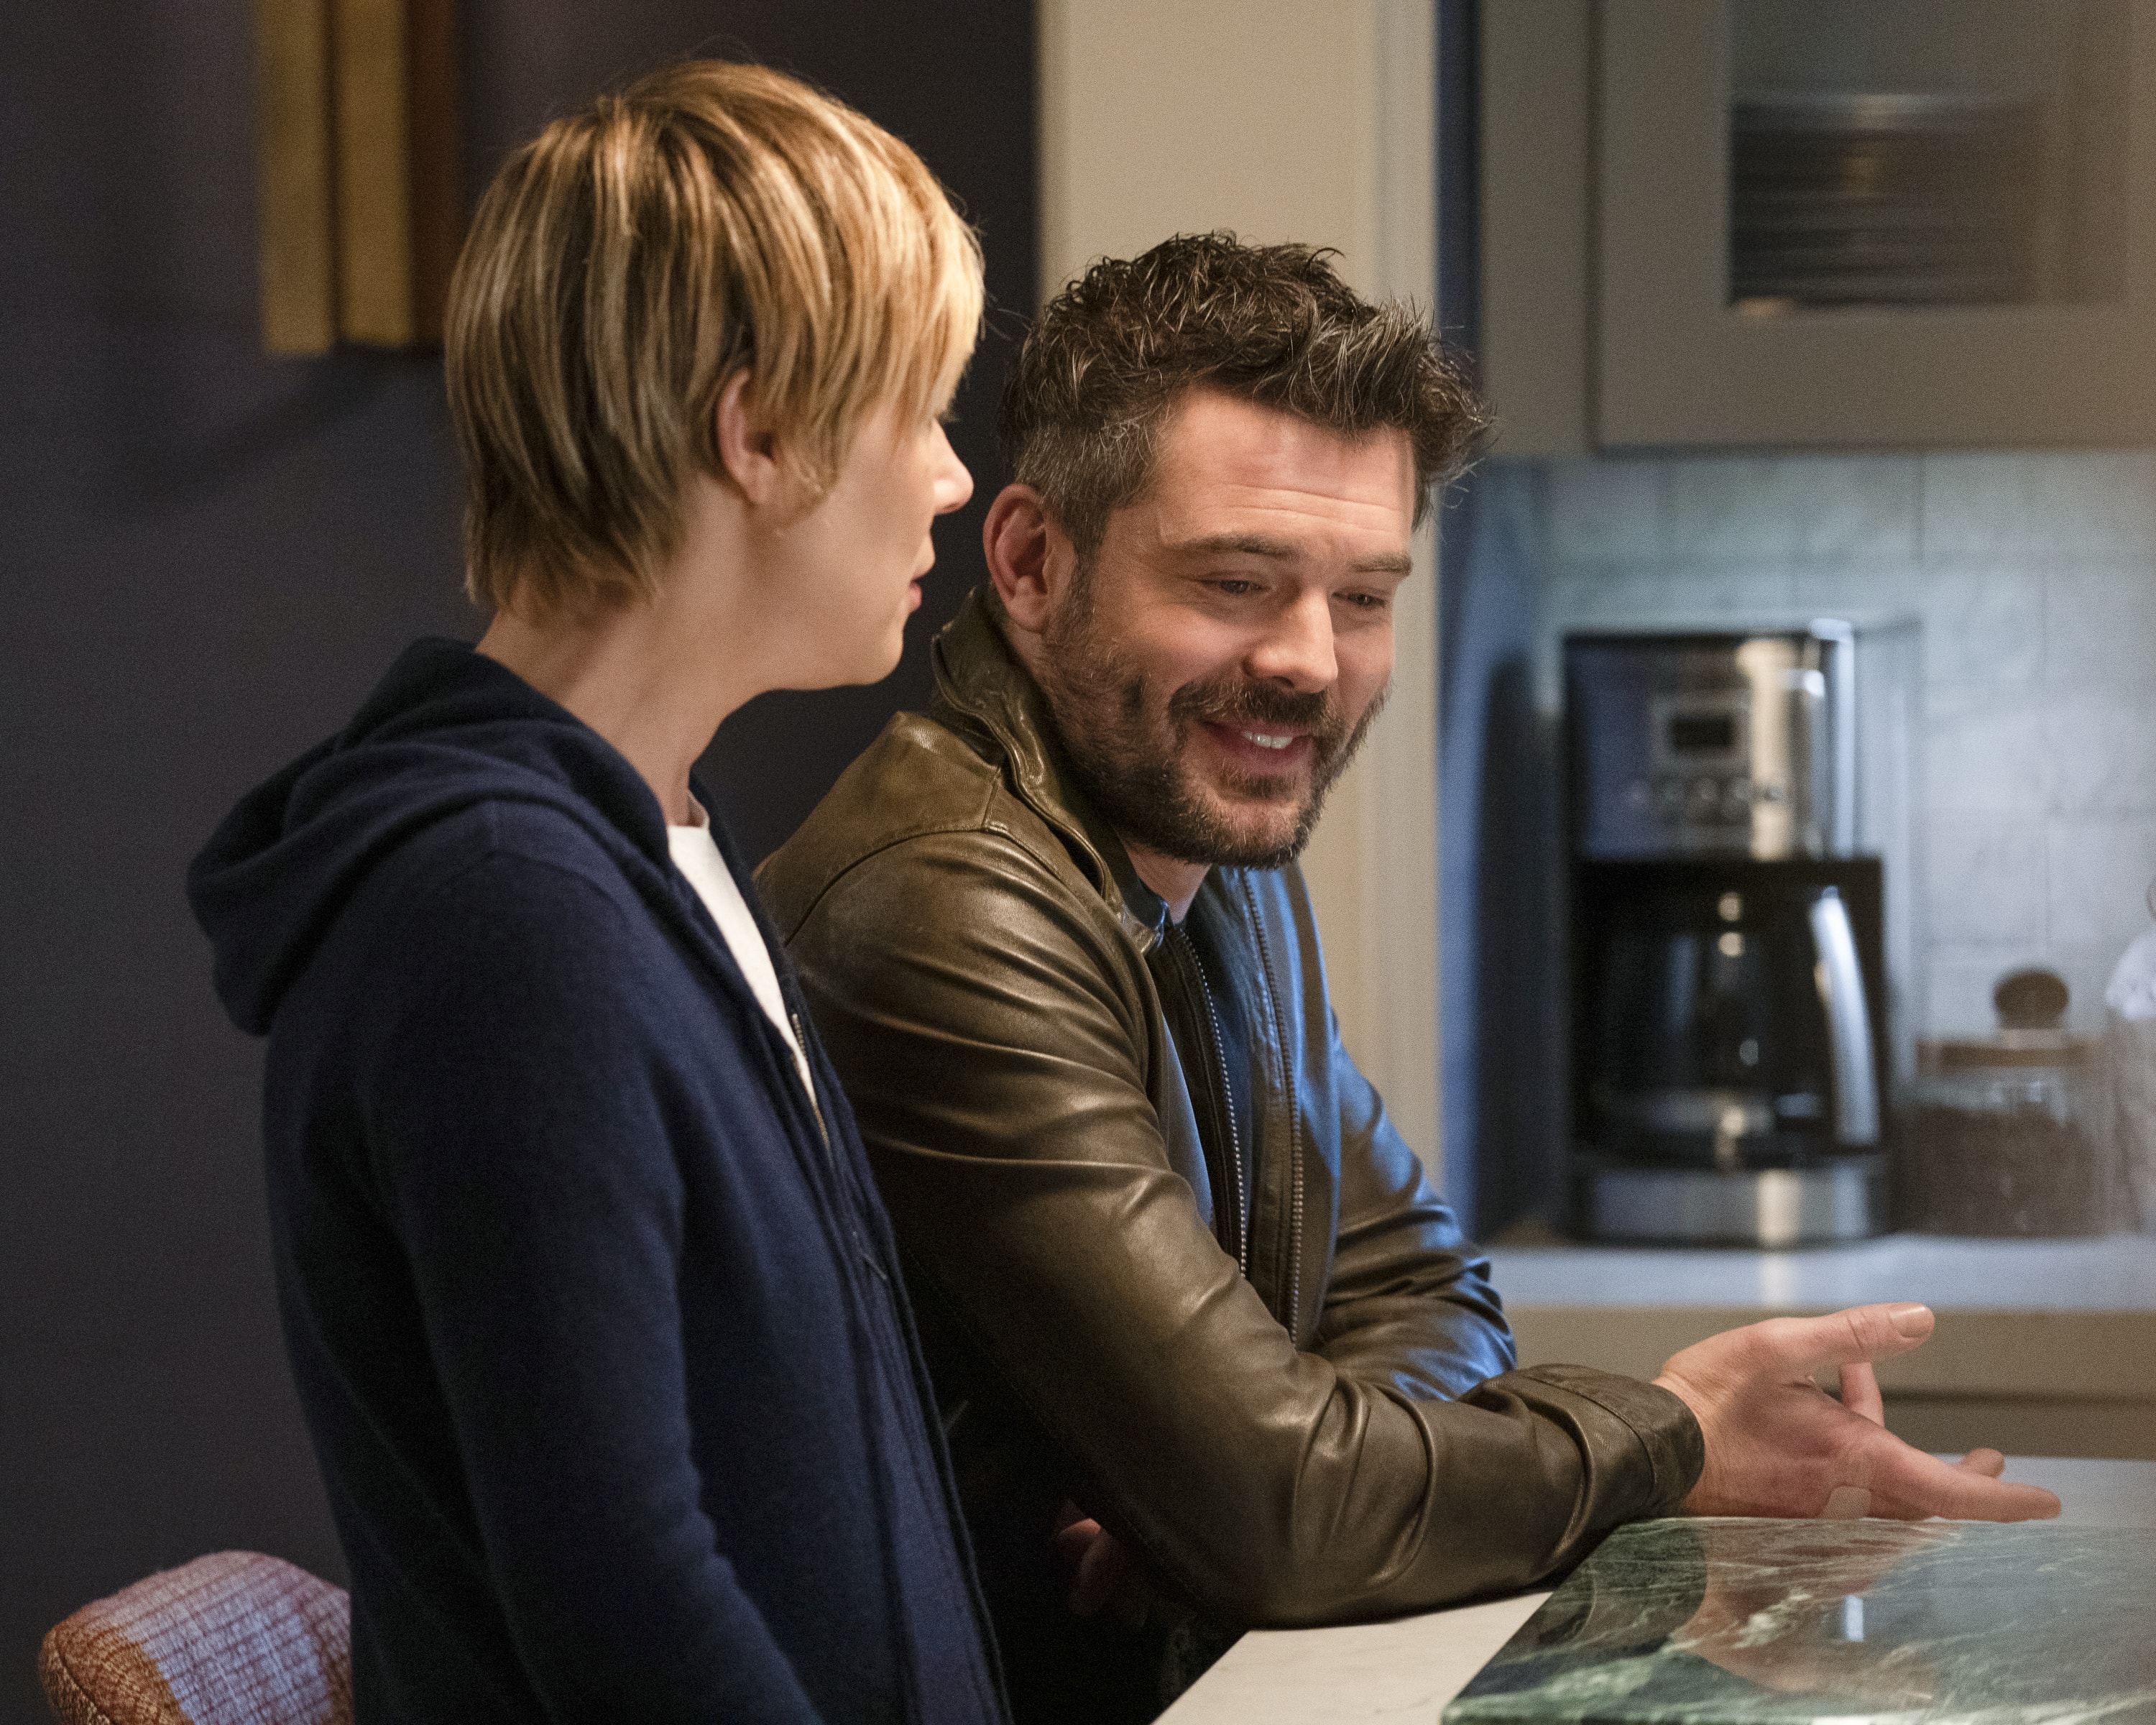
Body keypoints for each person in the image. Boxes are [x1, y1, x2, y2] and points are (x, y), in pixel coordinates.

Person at [755, 234, 2060, 1724]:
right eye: (1237, 582)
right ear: (1032, 563)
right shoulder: (946, 903)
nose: (1310, 661)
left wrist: (1247, 1493)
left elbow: (1421, 1288)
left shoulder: (1215, 847)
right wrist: (1667, 1432)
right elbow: (1288, 1506)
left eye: (1364, 597)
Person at [188, 62, 1005, 1724]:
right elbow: (621, 1593)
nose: (951, 477)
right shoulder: (506, 920)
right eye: (918, 410)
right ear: (758, 435)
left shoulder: (657, 851)